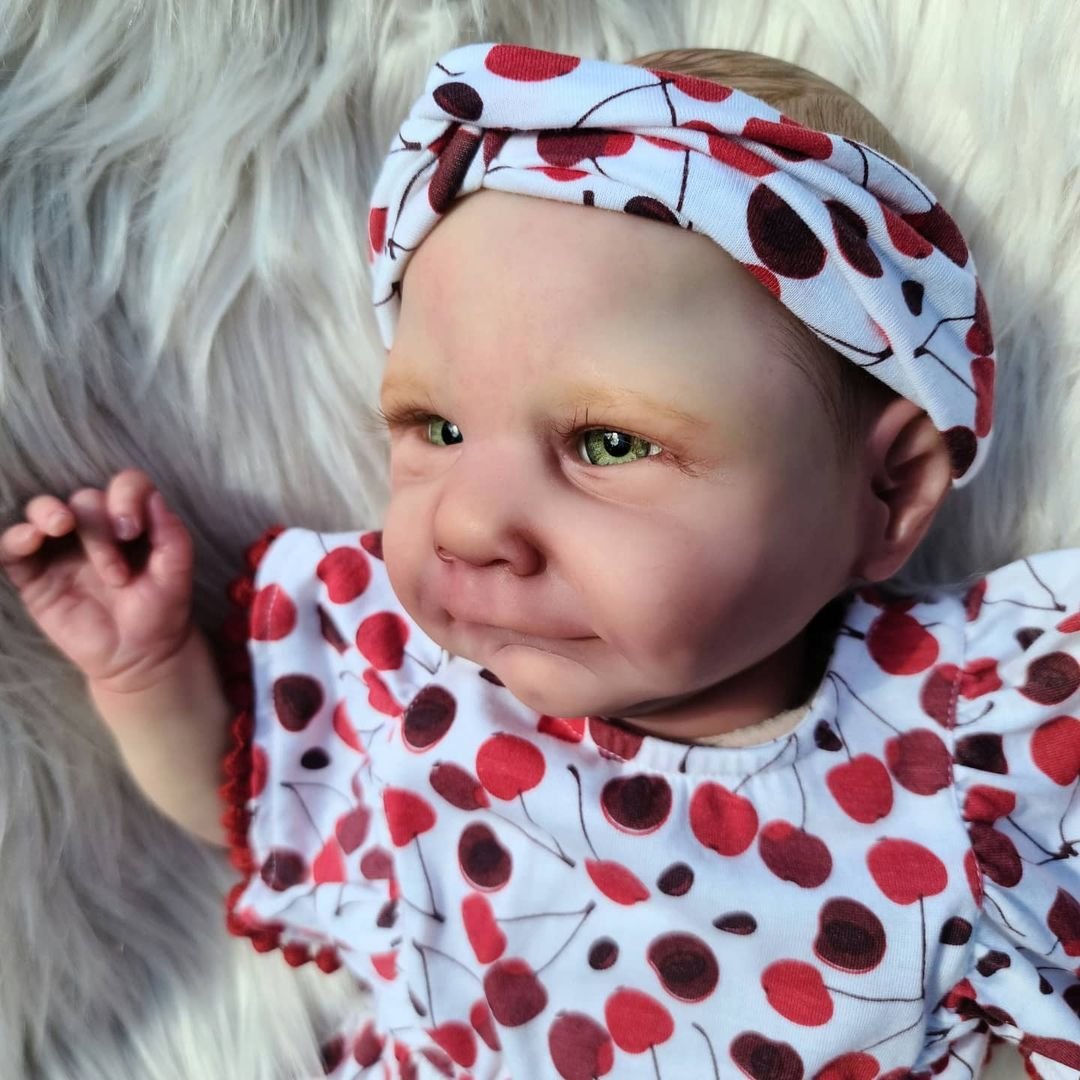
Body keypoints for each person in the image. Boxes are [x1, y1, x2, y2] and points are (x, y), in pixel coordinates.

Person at [2, 40, 1078, 1080]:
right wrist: (144, 670)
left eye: (607, 444)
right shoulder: (407, 689)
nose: (470, 524)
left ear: (887, 493)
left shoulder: (972, 744)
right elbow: (247, 806)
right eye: (436, 428)